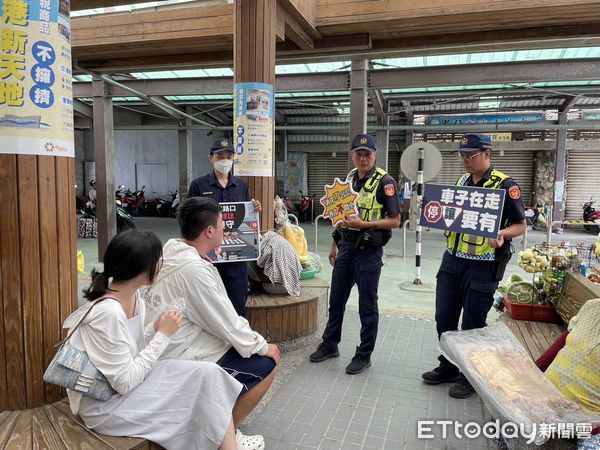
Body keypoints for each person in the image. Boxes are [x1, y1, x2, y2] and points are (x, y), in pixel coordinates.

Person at [62, 229, 262, 450]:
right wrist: (162, 335)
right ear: (141, 267)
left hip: (128, 385)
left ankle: (227, 444)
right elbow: (124, 382)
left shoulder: (134, 297)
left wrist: (153, 329)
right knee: (197, 391)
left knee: (209, 373)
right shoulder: (108, 312)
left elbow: (131, 348)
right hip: (107, 405)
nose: (162, 263)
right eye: (158, 259)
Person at [144, 196, 279, 431]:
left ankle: (217, 422)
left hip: (171, 344)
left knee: (242, 348)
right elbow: (226, 323)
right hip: (178, 355)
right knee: (266, 365)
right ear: (209, 231)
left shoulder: (173, 250)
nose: (225, 230)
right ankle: (222, 436)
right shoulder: (194, 270)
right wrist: (263, 345)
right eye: (222, 226)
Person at [422, 133, 527, 399]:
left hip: (483, 267)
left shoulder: (505, 185)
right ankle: (447, 365)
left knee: (473, 323)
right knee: (444, 318)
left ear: (486, 153)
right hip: (452, 261)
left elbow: (521, 225)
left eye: (471, 155)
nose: (465, 160)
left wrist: (503, 234)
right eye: (462, 156)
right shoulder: (460, 182)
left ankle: (469, 376)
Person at [309, 134, 401, 375]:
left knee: (367, 305)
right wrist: (334, 244)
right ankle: (330, 344)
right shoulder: (349, 179)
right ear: (352, 156)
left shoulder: (385, 182)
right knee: (336, 300)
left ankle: (364, 355)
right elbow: (340, 216)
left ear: (374, 155)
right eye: (358, 154)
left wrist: (366, 225)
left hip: (369, 252)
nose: (362, 158)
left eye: (367, 154)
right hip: (346, 248)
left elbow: (395, 221)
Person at [188, 138, 261, 316]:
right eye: (220, 156)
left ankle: (235, 345)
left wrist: (255, 209)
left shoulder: (241, 185)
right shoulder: (198, 185)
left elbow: (244, 216)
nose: (225, 160)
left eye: (229, 156)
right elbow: (187, 218)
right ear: (210, 158)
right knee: (210, 309)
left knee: (237, 306)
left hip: (236, 257)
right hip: (208, 259)